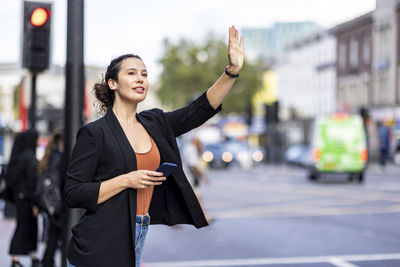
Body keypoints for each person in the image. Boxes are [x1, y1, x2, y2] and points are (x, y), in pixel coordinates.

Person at [64, 26, 244, 267]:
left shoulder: (155, 123)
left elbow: (198, 110)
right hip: (98, 242)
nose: (140, 78)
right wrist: (127, 180)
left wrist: (231, 72)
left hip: (137, 232)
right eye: (132, 73)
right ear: (113, 83)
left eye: (145, 74)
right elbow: (73, 193)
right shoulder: (95, 133)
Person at [6, 129, 41, 267]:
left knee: (27, 227)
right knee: (25, 227)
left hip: (20, 197)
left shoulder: (19, 156)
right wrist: (35, 203)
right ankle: (17, 258)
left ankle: (31, 256)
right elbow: (32, 182)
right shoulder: (29, 157)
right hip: (27, 199)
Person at [38, 129, 64, 267]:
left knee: (53, 234)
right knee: (57, 234)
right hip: (58, 202)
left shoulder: (51, 155)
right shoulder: (60, 157)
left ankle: (47, 261)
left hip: (51, 203)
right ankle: (48, 261)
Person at [182, 137, 213, 222]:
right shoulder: (191, 149)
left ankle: (204, 216)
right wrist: (203, 176)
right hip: (189, 177)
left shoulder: (188, 147)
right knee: (197, 197)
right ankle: (204, 216)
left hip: (188, 177)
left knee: (195, 197)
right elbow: (193, 165)